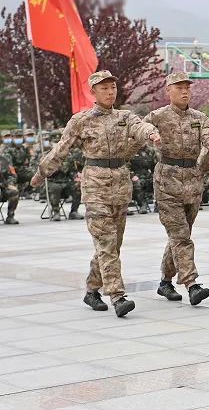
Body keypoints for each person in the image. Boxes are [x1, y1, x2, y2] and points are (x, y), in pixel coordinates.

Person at [31, 70, 161, 317]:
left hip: (121, 186)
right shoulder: (82, 120)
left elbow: (140, 126)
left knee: (112, 244)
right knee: (107, 242)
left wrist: (151, 133)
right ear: (93, 92)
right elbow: (62, 149)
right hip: (95, 187)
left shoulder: (125, 116)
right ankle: (118, 295)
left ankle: (92, 289)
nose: (110, 92)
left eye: (112, 87)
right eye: (104, 88)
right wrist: (41, 172)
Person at [144, 72, 209, 306]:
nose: (184, 91)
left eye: (187, 88)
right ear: (168, 91)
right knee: (181, 236)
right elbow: (141, 127)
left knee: (181, 235)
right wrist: (151, 135)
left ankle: (165, 281)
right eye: (179, 87)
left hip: (192, 182)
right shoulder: (158, 116)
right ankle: (191, 283)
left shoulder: (199, 118)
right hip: (167, 183)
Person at [0, 152, 19, 225]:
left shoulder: (4, 160)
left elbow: (12, 175)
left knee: (14, 192)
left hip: (3, 187)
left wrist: (9, 184)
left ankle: (10, 216)